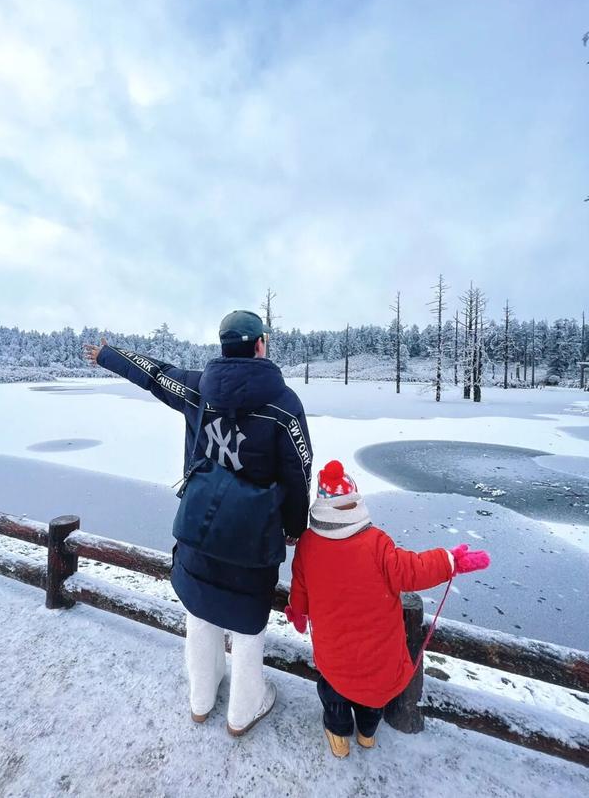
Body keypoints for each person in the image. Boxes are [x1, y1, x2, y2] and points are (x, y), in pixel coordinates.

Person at [83, 310, 312, 736]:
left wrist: (109, 355)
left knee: (201, 606)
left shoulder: (198, 388)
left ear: (224, 347)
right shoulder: (284, 406)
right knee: (247, 618)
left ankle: (202, 699)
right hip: (253, 537)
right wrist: (295, 527)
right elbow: (299, 471)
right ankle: (243, 709)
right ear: (259, 345)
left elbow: (156, 376)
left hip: (199, 525)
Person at [285, 459, 490, 759]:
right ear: (354, 501)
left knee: (334, 693)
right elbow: (414, 569)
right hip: (378, 655)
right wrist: (449, 561)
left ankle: (339, 736)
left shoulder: (308, 543)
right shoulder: (376, 543)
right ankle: (367, 734)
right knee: (372, 698)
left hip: (334, 652)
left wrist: (298, 611)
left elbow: (300, 584)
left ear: (321, 503)